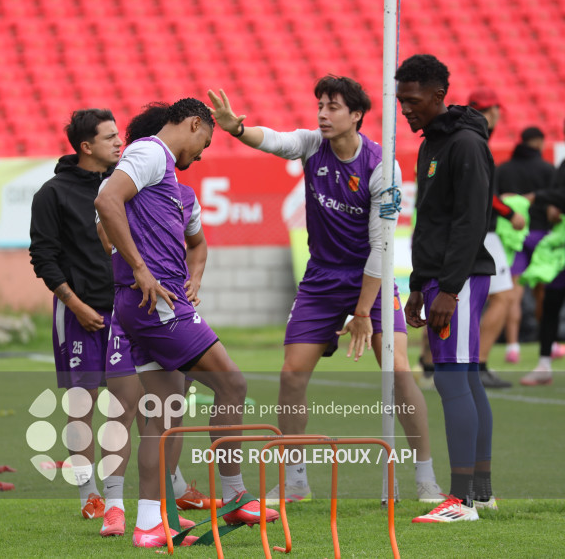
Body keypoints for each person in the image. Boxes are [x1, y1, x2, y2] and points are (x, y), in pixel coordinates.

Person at [207, 77, 442, 506]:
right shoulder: (312, 145)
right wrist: (236, 129)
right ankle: (295, 479)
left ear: (356, 115)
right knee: (291, 375)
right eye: (319, 105)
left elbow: (381, 246)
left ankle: (426, 478)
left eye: (332, 107)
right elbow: (275, 140)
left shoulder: (380, 166)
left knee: (398, 372)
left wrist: (362, 312)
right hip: (320, 280)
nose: (322, 114)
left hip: (371, 276)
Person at [95, 98, 279, 549]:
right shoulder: (150, 152)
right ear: (194, 124)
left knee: (162, 416)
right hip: (157, 303)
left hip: (140, 303)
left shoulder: (172, 179)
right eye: (205, 143)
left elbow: (195, 244)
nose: (202, 154)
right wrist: (140, 267)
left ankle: (149, 523)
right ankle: (235, 495)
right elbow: (105, 200)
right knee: (232, 385)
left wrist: (187, 276)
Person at [29, 109, 146, 536]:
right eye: (110, 137)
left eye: (119, 135)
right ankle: (88, 494)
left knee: (125, 404)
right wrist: (75, 305)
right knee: (81, 406)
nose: (120, 143)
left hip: (124, 312)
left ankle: (116, 495)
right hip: (78, 313)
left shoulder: (127, 185)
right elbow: (43, 258)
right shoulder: (52, 194)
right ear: (86, 146)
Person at [395, 54, 496, 522]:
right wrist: (419, 284)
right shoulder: (430, 145)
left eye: (413, 101)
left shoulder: (465, 144)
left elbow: (471, 221)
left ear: (438, 95)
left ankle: (462, 500)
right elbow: (429, 222)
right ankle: (481, 491)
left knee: (454, 382)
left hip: (460, 278)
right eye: (400, 102)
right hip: (438, 278)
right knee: (468, 381)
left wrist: (450, 289)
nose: (406, 110)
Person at [467, 88, 526, 388]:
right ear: (491, 113)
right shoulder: (476, 141)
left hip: (466, 232)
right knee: (502, 298)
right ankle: (477, 366)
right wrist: (509, 212)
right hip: (482, 234)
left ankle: (441, 365)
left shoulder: (461, 138)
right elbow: (484, 192)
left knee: (464, 300)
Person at [496, 127, 557, 364]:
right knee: (544, 293)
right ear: (540, 142)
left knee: (512, 294)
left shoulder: (504, 169)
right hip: (543, 236)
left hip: (515, 236)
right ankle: (548, 344)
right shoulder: (549, 169)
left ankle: (513, 346)